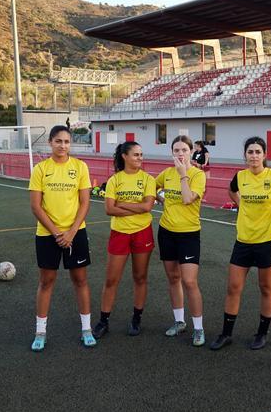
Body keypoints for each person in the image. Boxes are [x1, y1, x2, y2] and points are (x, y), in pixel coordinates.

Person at [210, 136, 271, 351]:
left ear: (264, 155)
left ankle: (262, 333)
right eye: (250, 152)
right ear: (245, 155)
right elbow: (232, 191)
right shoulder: (240, 176)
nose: (254, 156)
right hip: (243, 240)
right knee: (233, 287)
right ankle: (226, 333)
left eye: (258, 152)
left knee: (266, 287)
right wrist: (239, 203)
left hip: (268, 240)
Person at [29, 126, 94, 350]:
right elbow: (36, 206)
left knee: (80, 280)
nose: (63, 145)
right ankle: (40, 331)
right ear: (50, 143)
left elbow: (85, 202)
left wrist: (71, 232)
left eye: (66, 141)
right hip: (48, 235)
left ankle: (86, 329)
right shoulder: (40, 169)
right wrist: (58, 233)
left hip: (75, 233)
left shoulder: (80, 167)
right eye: (58, 141)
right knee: (46, 282)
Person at [93, 141, 156, 340]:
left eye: (141, 154)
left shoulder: (147, 179)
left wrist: (122, 203)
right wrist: (134, 206)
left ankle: (136, 318)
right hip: (119, 233)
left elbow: (147, 207)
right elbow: (109, 209)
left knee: (140, 277)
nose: (140, 158)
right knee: (111, 279)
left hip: (142, 232)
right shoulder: (115, 180)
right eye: (136, 154)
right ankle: (104, 320)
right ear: (125, 157)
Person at [156, 135, 207, 346]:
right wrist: (160, 197)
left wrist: (183, 175)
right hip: (166, 231)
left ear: (190, 152)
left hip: (188, 234)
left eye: (184, 150)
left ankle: (198, 328)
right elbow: (153, 187)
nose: (180, 154)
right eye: (176, 150)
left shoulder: (197, 175)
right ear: (172, 153)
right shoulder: (166, 174)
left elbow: (187, 199)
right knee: (173, 279)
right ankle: (179, 322)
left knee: (189, 281)